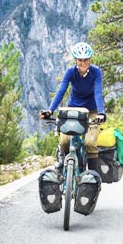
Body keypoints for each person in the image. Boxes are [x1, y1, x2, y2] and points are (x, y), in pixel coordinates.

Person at [39, 41, 104, 173]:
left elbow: (98, 92)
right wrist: (50, 110)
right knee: (64, 142)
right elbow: (61, 91)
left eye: (86, 60)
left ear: (90, 59)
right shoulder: (70, 72)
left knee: (90, 144)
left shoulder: (96, 72)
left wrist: (101, 113)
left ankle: (93, 178)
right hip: (73, 110)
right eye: (80, 60)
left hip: (91, 111)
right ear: (75, 60)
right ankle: (62, 169)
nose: (83, 63)